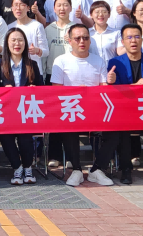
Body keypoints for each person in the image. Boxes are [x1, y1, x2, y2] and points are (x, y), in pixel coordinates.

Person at [89, 23, 143, 186]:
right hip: (125, 111)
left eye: (137, 37)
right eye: (129, 37)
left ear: (142, 40)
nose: (133, 41)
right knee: (121, 125)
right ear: (123, 42)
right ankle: (125, 169)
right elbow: (115, 93)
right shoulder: (115, 62)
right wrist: (117, 83)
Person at [49, 24, 108, 187]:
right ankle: (76, 169)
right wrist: (76, 94)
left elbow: (104, 88)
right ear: (69, 41)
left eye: (85, 38)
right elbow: (56, 90)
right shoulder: (61, 61)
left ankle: (97, 169)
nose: (82, 41)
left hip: (95, 110)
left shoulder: (98, 61)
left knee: (114, 130)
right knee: (68, 126)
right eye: (77, 38)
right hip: (71, 109)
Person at [0, 27, 43, 185]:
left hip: (26, 112)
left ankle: (28, 167)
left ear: (25, 43)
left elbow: (42, 89)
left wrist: (34, 89)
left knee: (26, 138)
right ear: (7, 43)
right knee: (6, 137)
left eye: (20, 40)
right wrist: (2, 91)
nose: (17, 44)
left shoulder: (32, 65)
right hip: (6, 113)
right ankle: (17, 168)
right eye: (13, 40)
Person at [8, 0, 48, 76]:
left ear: (28, 8)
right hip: (15, 72)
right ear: (12, 8)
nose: (18, 8)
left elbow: (46, 51)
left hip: (33, 71)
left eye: (22, 5)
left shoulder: (37, 26)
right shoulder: (9, 27)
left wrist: (37, 50)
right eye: (15, 5)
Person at [43, 0, 74, 77]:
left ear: (71, 8)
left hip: (71, 72)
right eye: (59, 5)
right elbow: (44, 55)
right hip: (51, 72)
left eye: (65, 5)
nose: (62, 8)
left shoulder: (76, 29)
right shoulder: (48, 29)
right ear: (54, 9)